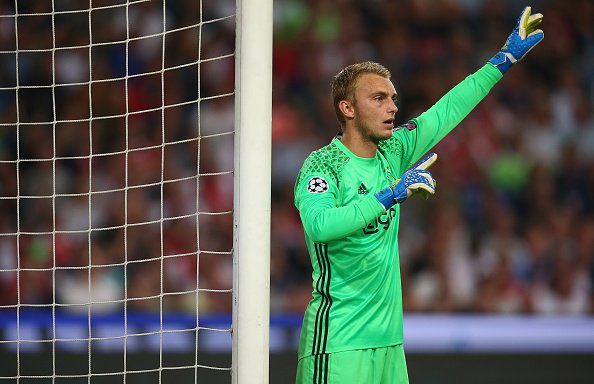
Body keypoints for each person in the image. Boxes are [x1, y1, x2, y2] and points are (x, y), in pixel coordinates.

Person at [293, 6, 544, 384]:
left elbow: (446, 111)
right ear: (347, 109)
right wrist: (389, 195)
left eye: (392, 98)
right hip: (339, 342)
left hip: (390, 343)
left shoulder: (393, 150)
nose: (392, 107)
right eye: (378, 99)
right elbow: (320, 225)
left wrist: (503, 60)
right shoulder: (322, 166)